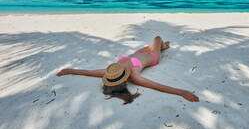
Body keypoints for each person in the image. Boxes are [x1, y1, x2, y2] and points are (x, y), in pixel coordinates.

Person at [56, 36, 199, 105]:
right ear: (124, 79)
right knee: (157, 38)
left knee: (151, 45)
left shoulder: (111, 73)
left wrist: (69, 70)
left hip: (138, 53)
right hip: (152, 57)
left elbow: (88, 72)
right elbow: (157, 86)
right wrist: (182, 92)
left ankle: (163, 46)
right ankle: (163, 46)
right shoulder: (135, 77)